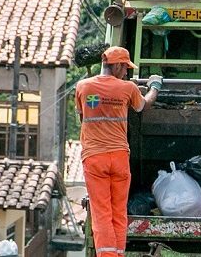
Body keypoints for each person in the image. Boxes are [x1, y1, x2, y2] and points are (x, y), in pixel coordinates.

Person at [74, 46, 163, 257]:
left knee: (101, 212)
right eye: (125, 68)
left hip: (95, 158)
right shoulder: (127, 88)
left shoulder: (83, 87)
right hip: (119, 158)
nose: (126, 73)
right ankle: (117, 253)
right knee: (118, 212)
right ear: (118, 65)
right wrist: (155, 86)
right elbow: (144, 106)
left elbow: (82, 118)